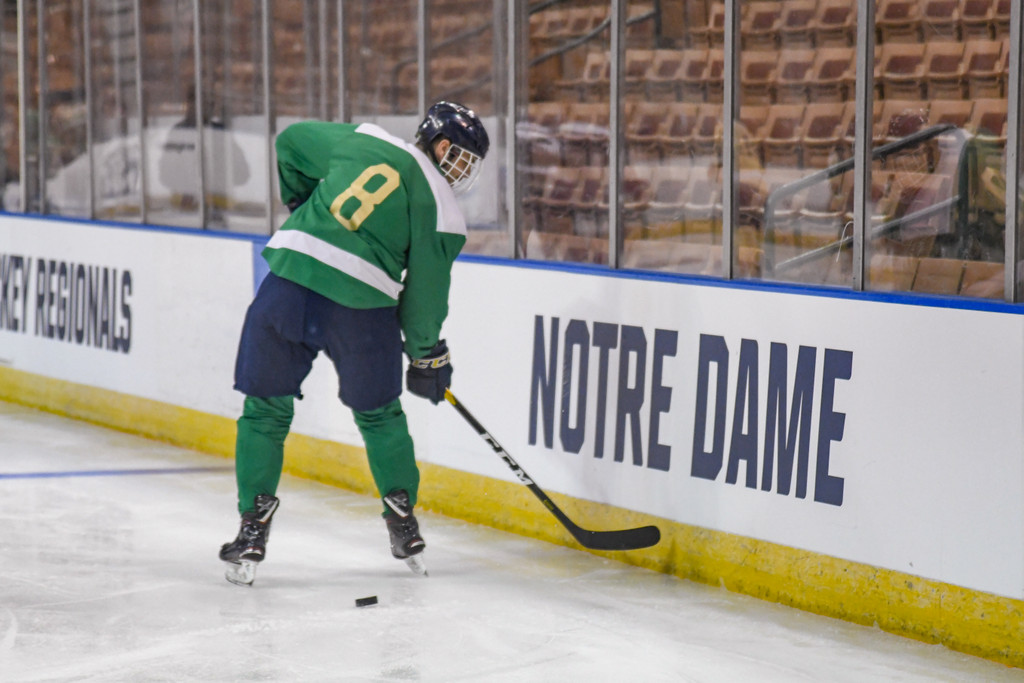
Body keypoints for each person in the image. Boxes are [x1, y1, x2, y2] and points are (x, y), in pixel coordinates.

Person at [218, 101, 489, 586]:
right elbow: (424, 298)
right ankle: (402, 520)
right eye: (463, 157)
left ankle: (252, 528)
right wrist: (426, 354)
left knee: (264, 412)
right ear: (442, 146)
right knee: (380, 415)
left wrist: (302, 203)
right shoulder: (444, 210)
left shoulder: (366, 139)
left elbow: (290, 142)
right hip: (362, 310)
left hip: (290, 283)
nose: (464, 171)